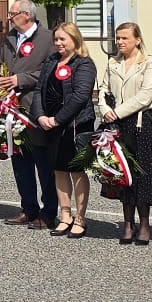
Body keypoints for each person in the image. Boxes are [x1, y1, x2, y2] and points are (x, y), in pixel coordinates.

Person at [98, 22, 152, 245]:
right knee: (122, 173)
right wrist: (105, 109)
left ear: (137, 39)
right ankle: (127, 222)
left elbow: (146, 95)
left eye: (125, 38)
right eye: (118, 38)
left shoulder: (149, 62)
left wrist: (117, 112)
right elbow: (103, 90)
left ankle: (144, 223)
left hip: (139, 123)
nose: (120, 42)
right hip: (117, 125)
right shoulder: (112, 62)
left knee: (142, 173)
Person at [37, 23, 97, 238]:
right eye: (56, 39)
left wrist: (58, 119)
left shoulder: (84, 63)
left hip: (75, 126)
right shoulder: (51, 61)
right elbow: (39, 90)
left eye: (63, 39)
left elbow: (80, 96)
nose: (58, 43)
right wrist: (40, 116)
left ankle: (80, 218)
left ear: (75, 39)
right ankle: (65, 215)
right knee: (59, 170)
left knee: (76, 171)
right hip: (51, 125)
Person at [0, 0, 52, 226]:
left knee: (43, 164)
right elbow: (0, 64)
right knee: (20, 163)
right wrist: (0, 79)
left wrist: (21, 79)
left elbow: (49, 70)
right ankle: (28, 208)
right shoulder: (10, 38)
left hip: (35, 109)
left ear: (27, 15)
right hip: (12, 109)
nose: (9, 18)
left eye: (12, 14)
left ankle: (48, 212)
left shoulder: (47, 38)